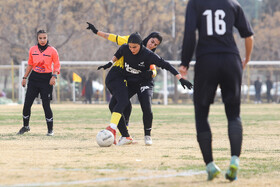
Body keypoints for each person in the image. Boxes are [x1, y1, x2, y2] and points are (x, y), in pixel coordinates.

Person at [179, 0, 254, 181]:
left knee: (202, 113)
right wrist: (246, 58)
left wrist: (184, 63)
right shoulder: (233, 4)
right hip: (231, 59)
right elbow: (249, 36)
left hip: (207, 60)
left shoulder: (195, 3)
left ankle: (210, 166)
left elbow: (190, 33)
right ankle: (234, 159)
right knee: (234, 113)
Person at [99, 33, 192, 146]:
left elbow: (166, 65)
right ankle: (125, 136)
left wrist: (181, 79)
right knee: (113, 105)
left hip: (144, 83)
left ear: (140, 46)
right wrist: (109, 63)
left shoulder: (149, 55)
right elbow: (118, 54)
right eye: (130, 47)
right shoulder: (125, 47)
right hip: (132, 83)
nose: (132, 49)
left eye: (134, 47)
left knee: (146, 106)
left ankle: (147, 135)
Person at [87, 22, 162, 145]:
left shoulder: (149, 55)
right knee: (120, 103)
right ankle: (116, 130)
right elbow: (111, 37)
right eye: (152, 41)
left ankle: (125, 135)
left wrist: (151, 73)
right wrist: (96, 32)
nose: (152, 45)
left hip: (128, 81)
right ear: (148, 38)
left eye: (155, 45)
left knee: (123, 105)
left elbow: (153, 68)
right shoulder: (131, 41)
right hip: (117, 76)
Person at [17, 30, 60, 136]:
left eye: (44, 38)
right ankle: (26, 126)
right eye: (40, 38)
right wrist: (24, 77)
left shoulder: (52, 51)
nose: (42, 40)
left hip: (46, 79)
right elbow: (30, 65)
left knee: (46, 105)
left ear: (47, 38)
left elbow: (57, 64)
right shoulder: (32, 49)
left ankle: (50, 130)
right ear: (37, 38)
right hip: (34, 78)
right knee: (27, 104)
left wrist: (54, 76)